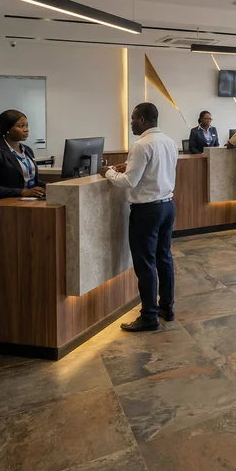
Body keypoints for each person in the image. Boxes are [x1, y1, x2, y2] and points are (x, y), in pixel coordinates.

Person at [99, 102, 178, 332]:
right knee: (164, 258)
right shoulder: (169, 142)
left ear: (142, 120)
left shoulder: (141, 145)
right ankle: (167, 307)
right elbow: (156, 171)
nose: (131, 122)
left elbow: (128, 182)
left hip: (146, 211)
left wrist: (109, 172)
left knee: (145, 264)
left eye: (133, 118)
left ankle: (149, 317)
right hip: (167, 206)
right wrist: (129, 167)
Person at [0, 109, 46, 202]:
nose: (26, 129)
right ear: (7, 129)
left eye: (27, 125)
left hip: (29, 201)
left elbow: (30, 180)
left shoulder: (27, 150)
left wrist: (48, 187)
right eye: (21, 126)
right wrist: (23, 192)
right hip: (4, 204)